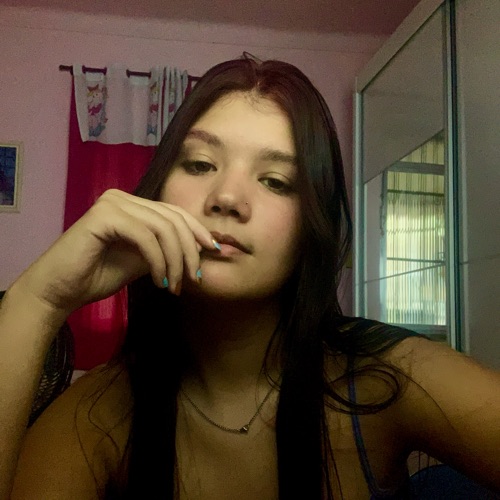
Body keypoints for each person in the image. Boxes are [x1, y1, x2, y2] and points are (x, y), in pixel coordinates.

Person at [1, 57, 499, 500]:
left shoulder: (391, 377)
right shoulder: (95, 416)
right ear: (156, 195)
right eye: (200, 164)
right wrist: (36, 301)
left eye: (275, 181)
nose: (227, 197)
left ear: (312, 228)